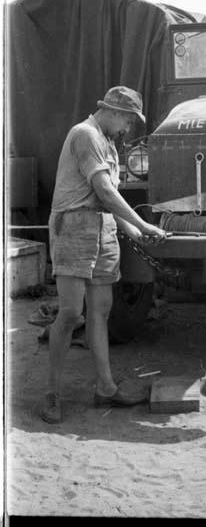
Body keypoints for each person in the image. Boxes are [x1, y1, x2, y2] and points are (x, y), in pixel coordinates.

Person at [40, 86, 166, 423]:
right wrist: (142, 223)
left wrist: (138, 233)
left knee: (101, 312)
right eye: (127, 119)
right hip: (75, 228)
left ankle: (106, 388)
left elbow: (108, 206)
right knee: (69, 314)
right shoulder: (86, 135)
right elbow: (106, 192)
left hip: (103, 231)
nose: (128, 128)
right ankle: (52, 393)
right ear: (111, 111)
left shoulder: (110, 143)